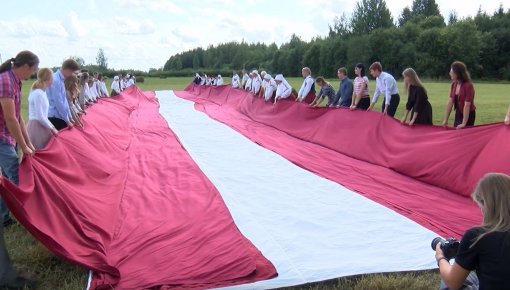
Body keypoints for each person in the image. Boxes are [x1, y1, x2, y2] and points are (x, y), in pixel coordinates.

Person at [0, 50, 38, 289]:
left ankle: (5, 216)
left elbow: (20, 120)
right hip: (1, 136)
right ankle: (25, 218)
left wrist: (29, 145)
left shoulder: (16, 81)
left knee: (7, 178)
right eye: (33, 69)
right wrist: (22, 146)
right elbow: (11, 118)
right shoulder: (5, 80)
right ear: (25, 66)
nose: (33, 73)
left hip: (6, 135)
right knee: (14, 175)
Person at [435, 173, 510, 290]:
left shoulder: (478, 236)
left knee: (450, 281)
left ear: (486, 203)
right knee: (468, 274)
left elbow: (452, 283)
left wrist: (441, 258)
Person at [26, 68, 58, 149]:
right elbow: (40, 116)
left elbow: (43, 116)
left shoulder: (41, 92)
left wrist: (52, 127)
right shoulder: (38, 93)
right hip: (37, 127)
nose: (53, 79)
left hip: (41, 124)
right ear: (48, 78)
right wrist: (52, 128)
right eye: (52, 77)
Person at [441, 61, 476, 129]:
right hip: (458, 113)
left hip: (468, 115)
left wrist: (464, 123)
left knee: (465, 133)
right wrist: (446, 119)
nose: (450, 73)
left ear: (457, 73)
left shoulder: (468, 85)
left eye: (451, 71)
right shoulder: (454, 84)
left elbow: (467, 105)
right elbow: (450, 102)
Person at [47, 59, 80, 130]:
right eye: (72, 72)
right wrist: (67, 120)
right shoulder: (56, 80)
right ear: (68, 70)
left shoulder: (60, 80)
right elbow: (59, 103)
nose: (72, 75)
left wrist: (70, 117)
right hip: (55, 116)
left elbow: (64, 100)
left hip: (59, 116)